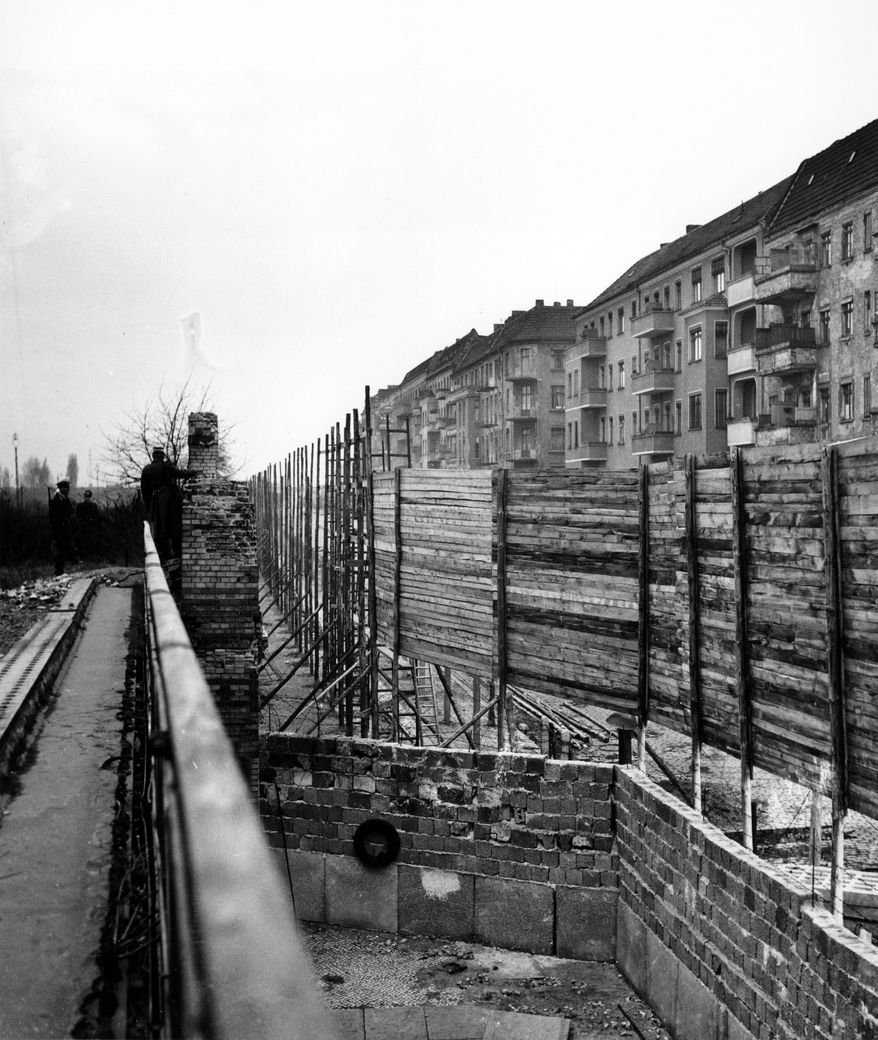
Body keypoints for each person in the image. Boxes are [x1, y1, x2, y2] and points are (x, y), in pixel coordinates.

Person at [140, 447, 200, 560]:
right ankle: (176, 554)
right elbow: (180, 473)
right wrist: (194, 472)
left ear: (153, 456)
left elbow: (145, 491)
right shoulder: (166, 466)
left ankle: (163, 555)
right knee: (174, 527)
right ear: (162, 455)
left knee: (159, 531)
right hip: (169, 501)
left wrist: (150, 507)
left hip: (155, 502)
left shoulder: (146, 469)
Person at [49, 478, 78, 575]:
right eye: (67, 488)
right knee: (60, 549)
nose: (69, 489)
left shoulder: (64, 498)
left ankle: (61, 568)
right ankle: (58, 570)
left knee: (64, 548)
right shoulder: (57, 499)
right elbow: (54, 515)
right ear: (62, 488)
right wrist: (66, 512)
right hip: (60, 529)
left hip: (65, 528)